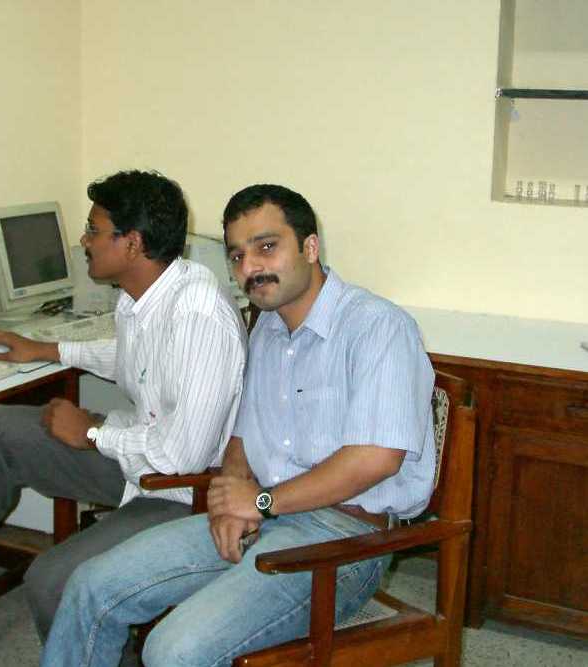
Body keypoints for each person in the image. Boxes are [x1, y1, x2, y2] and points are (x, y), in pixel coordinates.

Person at [41, 184, 437, 667]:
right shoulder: (268, 327)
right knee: (90, 587)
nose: (250, 268)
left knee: (173, 650)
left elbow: (375, 459)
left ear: (311, 248)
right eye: (237, 256)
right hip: (266, 518)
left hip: (344, 541)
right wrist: (230, 502)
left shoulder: (379, 327)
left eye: (266, 247)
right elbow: (241, 440)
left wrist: (263, 501)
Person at [0, 170, 247, 641]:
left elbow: (182, 458)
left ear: (132, 244)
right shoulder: (144, 296)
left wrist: (92, 434)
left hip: (182, 492)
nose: (84, 240)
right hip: (140, 456)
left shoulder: (198, 314)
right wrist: (46, 349)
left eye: (94, 230)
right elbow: (133, 357)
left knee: (53, 582)